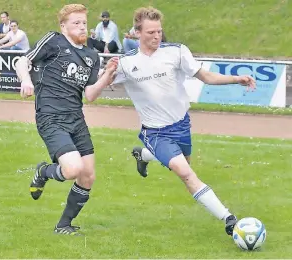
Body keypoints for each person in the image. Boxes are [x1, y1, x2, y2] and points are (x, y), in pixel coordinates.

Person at [109, 6, 256, 237]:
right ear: (137, 33)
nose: (156, 36)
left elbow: (206, 76)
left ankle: (143, 155)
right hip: (155, 131)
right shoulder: (126, 63)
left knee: (183, 162)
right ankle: (229, 219)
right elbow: (98, 84)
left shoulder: (176, 52)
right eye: (150, 32)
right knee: (186, 173)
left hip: (181, 125)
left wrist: (236, 78)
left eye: (159, 31)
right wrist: (101, 79)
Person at [15, 4, 117, 236]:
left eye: (84, 22)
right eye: (76, 23)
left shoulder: (91, 55)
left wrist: (108, 75)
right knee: (72, 169)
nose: (82, 27)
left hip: (76, 120)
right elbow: (22, 61)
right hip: (51, 117)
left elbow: (90, 94)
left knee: (88, 176)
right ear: (63, 26)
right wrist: (26, 80)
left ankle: (63, 226)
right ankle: (43, 171)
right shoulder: (54, 41)